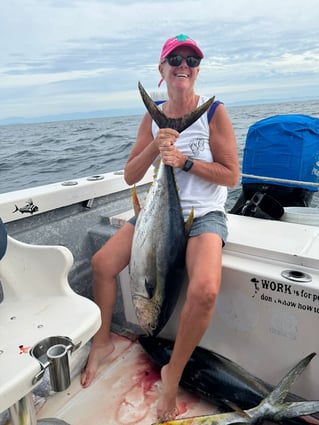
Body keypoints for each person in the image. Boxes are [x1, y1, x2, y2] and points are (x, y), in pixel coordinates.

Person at [81, 33, 239, 421]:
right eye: (176, 60)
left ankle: (173, 375)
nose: (183, 66)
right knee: (102, 264)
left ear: (197, 70)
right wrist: (157, 144)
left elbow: (232, 176)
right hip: (157, 213)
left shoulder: (214, 111)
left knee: (203, 291)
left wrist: (184, 162)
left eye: (190, 60)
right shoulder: (152, 117)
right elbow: (130, 175)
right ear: (162, 70)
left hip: (203, 215)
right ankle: (102, 343)